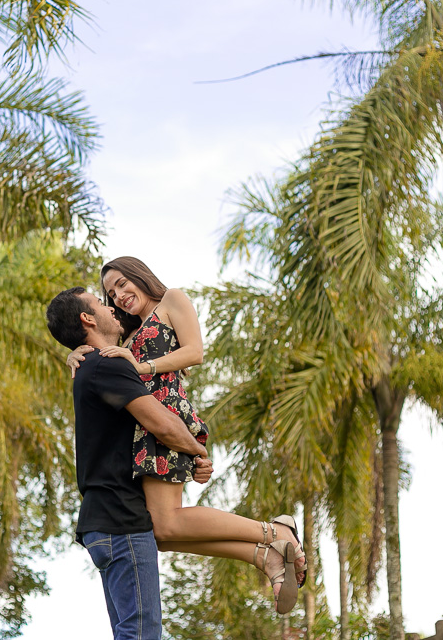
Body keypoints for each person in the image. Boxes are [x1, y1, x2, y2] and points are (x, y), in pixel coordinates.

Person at [65, 257, 307, 614]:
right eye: (111, 293)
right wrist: (74, 353)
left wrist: (142, 366)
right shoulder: (128, 334)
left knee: (169, 522)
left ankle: (275, 532)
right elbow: (103, 352)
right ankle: (263, 556)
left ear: (139, 276)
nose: (118, 295)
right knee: (162, 533)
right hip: (142, 430)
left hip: (166, 416)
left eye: (122, 283)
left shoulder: (172, 300)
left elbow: (195, 352)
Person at [46, 287, 213, 639]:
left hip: (103, 523)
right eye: (101, 302)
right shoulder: (107, 364)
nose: (111, 307)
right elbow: (163, 424)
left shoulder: (90, 366)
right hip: (121, 521)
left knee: (131, 632)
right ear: (88, 319)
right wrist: (198, 452)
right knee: (140, 633)